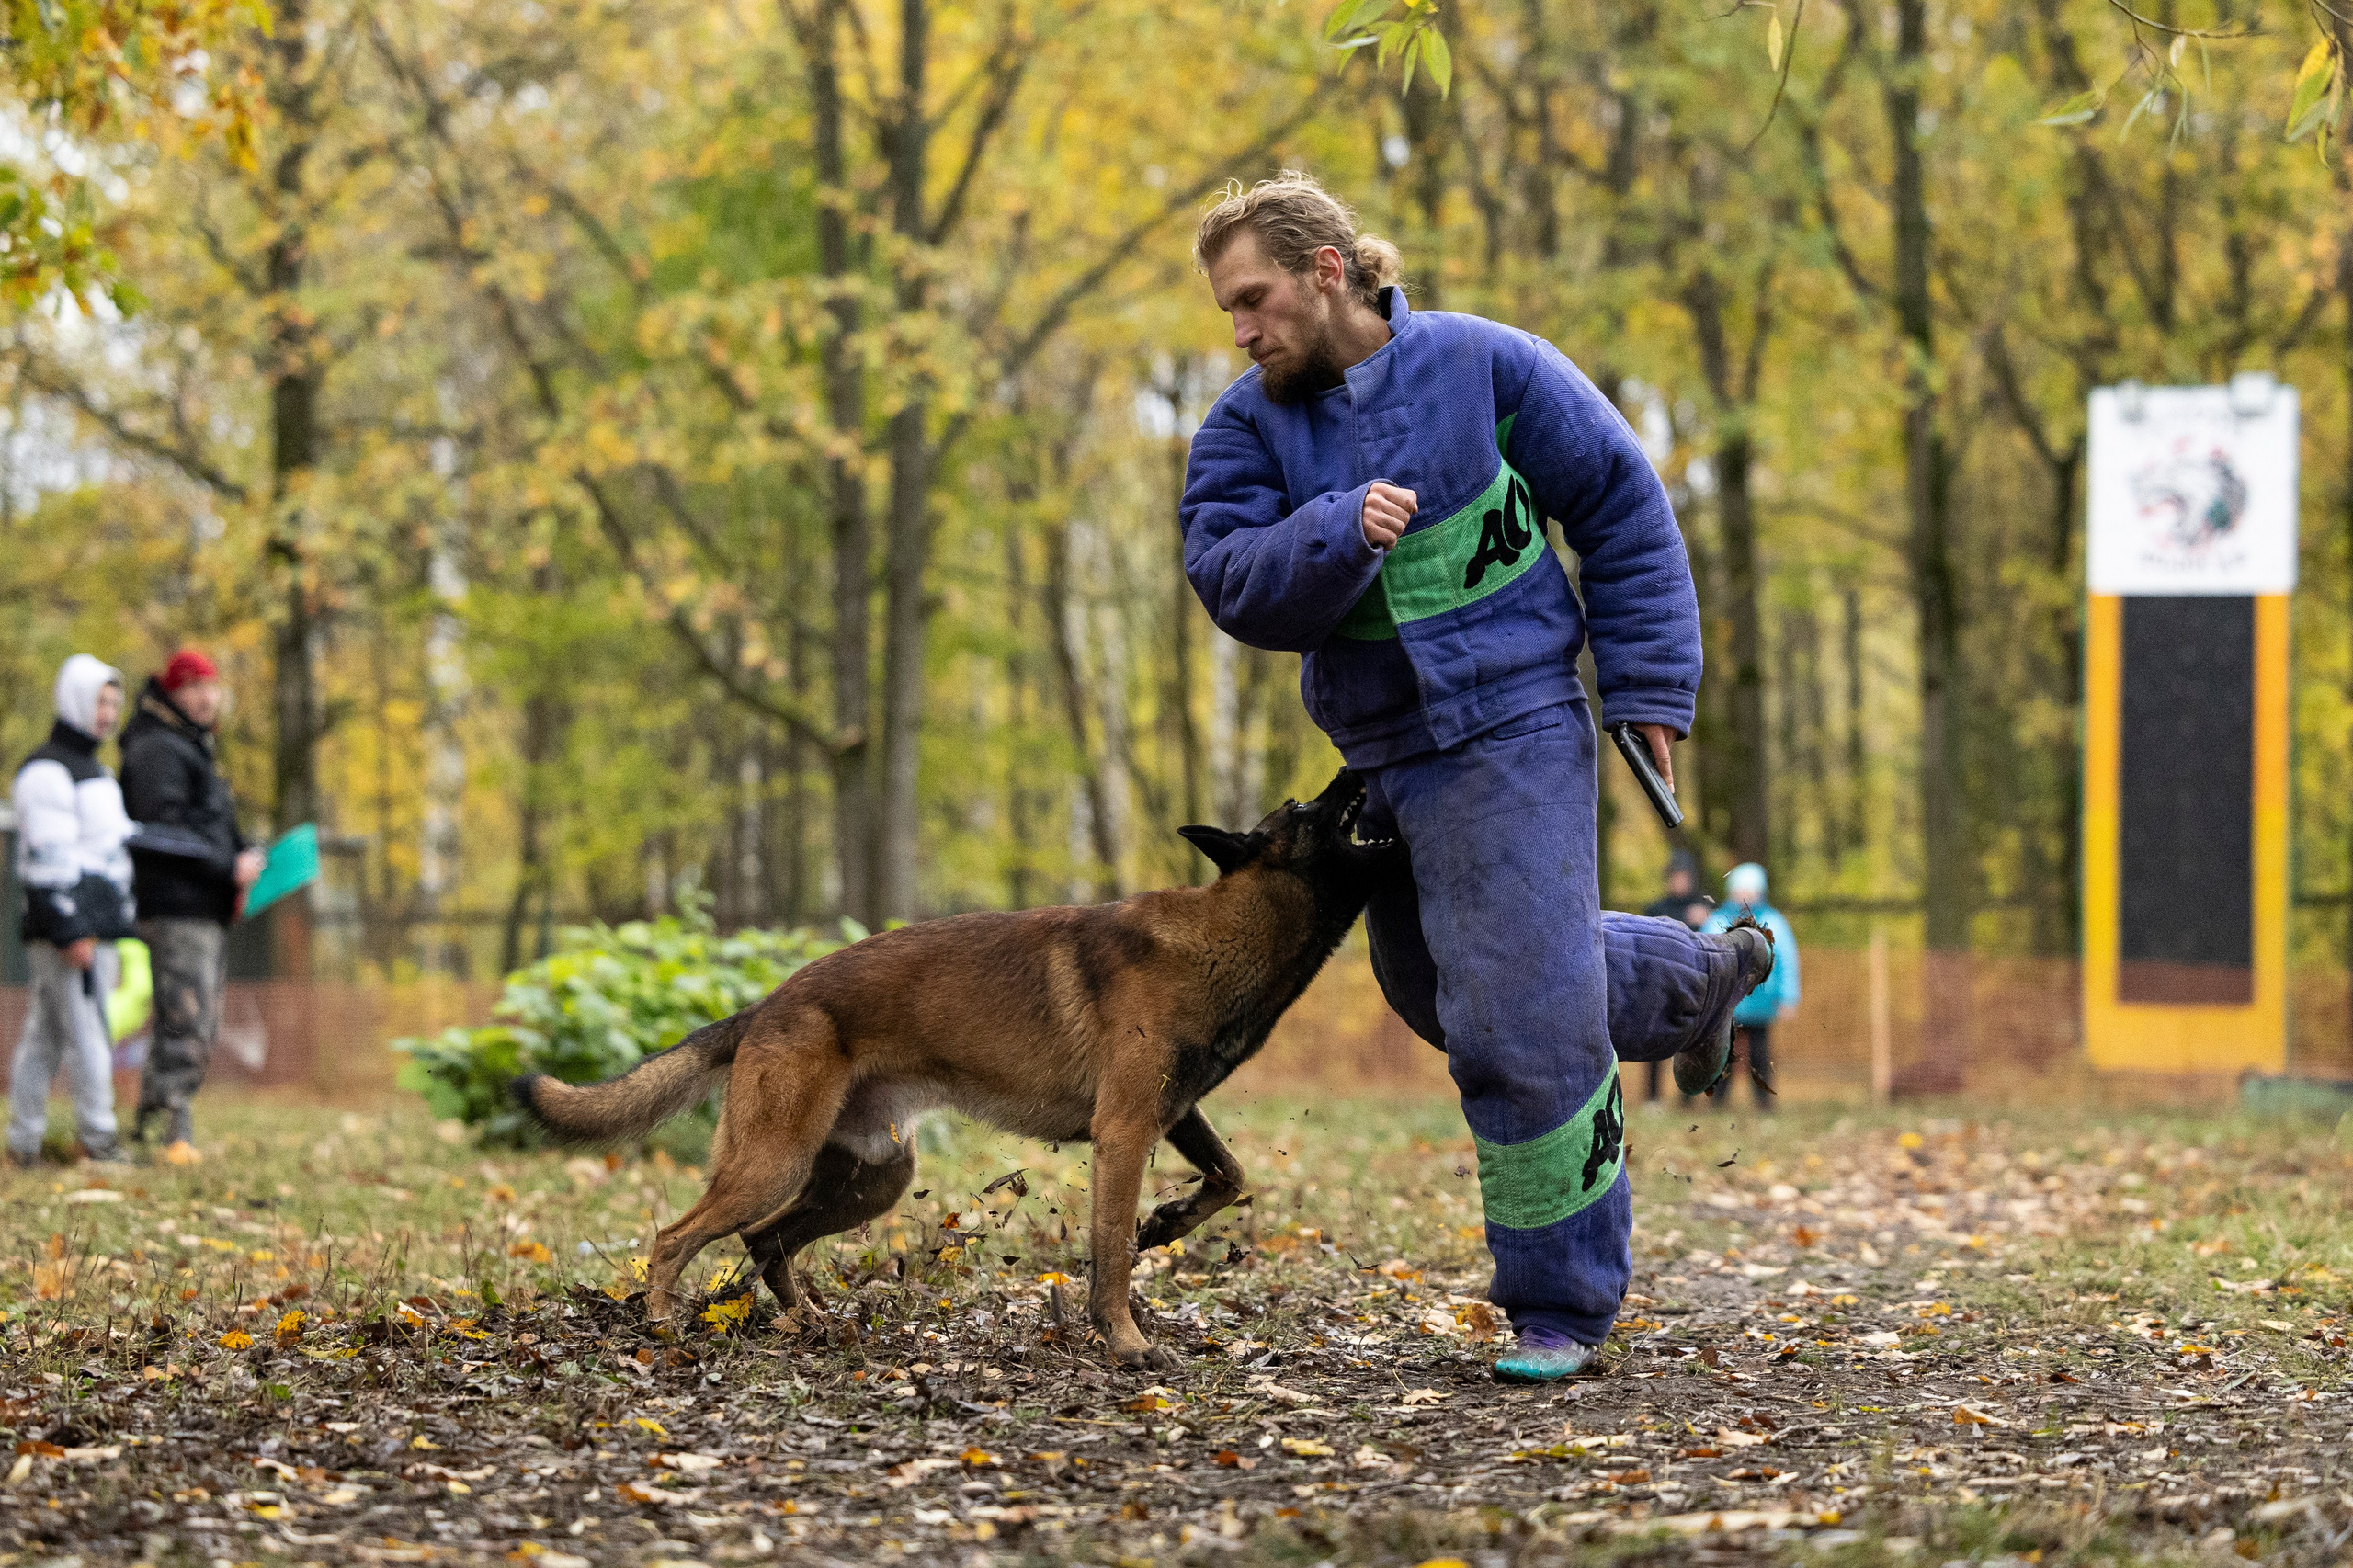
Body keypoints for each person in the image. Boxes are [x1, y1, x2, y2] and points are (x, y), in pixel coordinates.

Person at [1179, 175, 1772, 1382]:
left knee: (1516, 1016)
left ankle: (1561, 1300)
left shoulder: (1487, 366)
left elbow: (1618, 503)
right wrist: (1338, 527)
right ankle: (1701, 973)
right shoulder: (1245, 430)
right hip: (1380, 754)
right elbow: (1228, 578)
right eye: (1227, 309)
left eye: (1252, 298)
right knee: (1436, 985)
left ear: (1327, 271)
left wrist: (1649, 687)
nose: (1239, 330)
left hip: (1516, 722)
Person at [119, 648, 262, 1164]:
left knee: (192, 1022)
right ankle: (169, 1132)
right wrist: (226, 866)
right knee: (186, 1021)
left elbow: (208, 825)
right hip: (175, 908)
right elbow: (161, 832)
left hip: (201, 907)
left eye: (211, 686)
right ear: (172, 692)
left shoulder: (191, 747)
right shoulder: (157, 749)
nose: (207, 697)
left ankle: (158, 1125)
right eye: (194, 687)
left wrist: (243, 857)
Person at [9, 655, 137, 1167]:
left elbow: (110, 847)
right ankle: (98, 1138)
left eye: (114, 703)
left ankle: (23, 1141)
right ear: (75, 698)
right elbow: (46, 858)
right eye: (100, 701)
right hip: (69, 931)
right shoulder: (47, 771)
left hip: (95, 927)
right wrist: (71, 929)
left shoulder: (97, 771)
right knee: (89, 1034)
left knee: (45, 1036)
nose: (108, 713)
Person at [1702, 863, 1800, 1109]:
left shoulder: (1774, 922)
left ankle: (1764, 1100)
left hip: (1760, 1001)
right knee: (1723, 1052)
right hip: (1726, 1002)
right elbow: (1702, 957)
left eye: (1750, 889)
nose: (1745, 895)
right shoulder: (1717, 921)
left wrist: (1788, 998)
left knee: (1759, 1053)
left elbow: (1787, 961)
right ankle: (1717, 1100)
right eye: (1740, 889)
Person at [1638, 850, 1715, 1101]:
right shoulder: (1655, 909)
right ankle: (1653, 1097)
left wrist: (1707, 919)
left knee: (1691, 1042)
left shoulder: (1705, 909)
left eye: (1683, 876)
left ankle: (1688, 1098)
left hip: (1693, 985)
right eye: (1674, 876)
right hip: (1659, 985)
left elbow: (1716, 942)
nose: (1678, 881)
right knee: (1654, 1043)